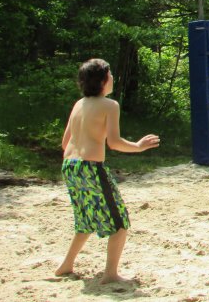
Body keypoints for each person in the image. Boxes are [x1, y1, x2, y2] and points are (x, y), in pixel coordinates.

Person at [55, 58, 160, 283]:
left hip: (70, 166)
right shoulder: (110, 105)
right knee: (120, 223)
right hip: (91, 168)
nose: (113, 78)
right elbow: (114, 142)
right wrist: (139, 146)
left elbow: (66, 143)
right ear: (103, 80)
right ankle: (110, 274)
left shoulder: (79, 104)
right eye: (110, 74)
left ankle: (66, 265)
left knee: (85, 221)